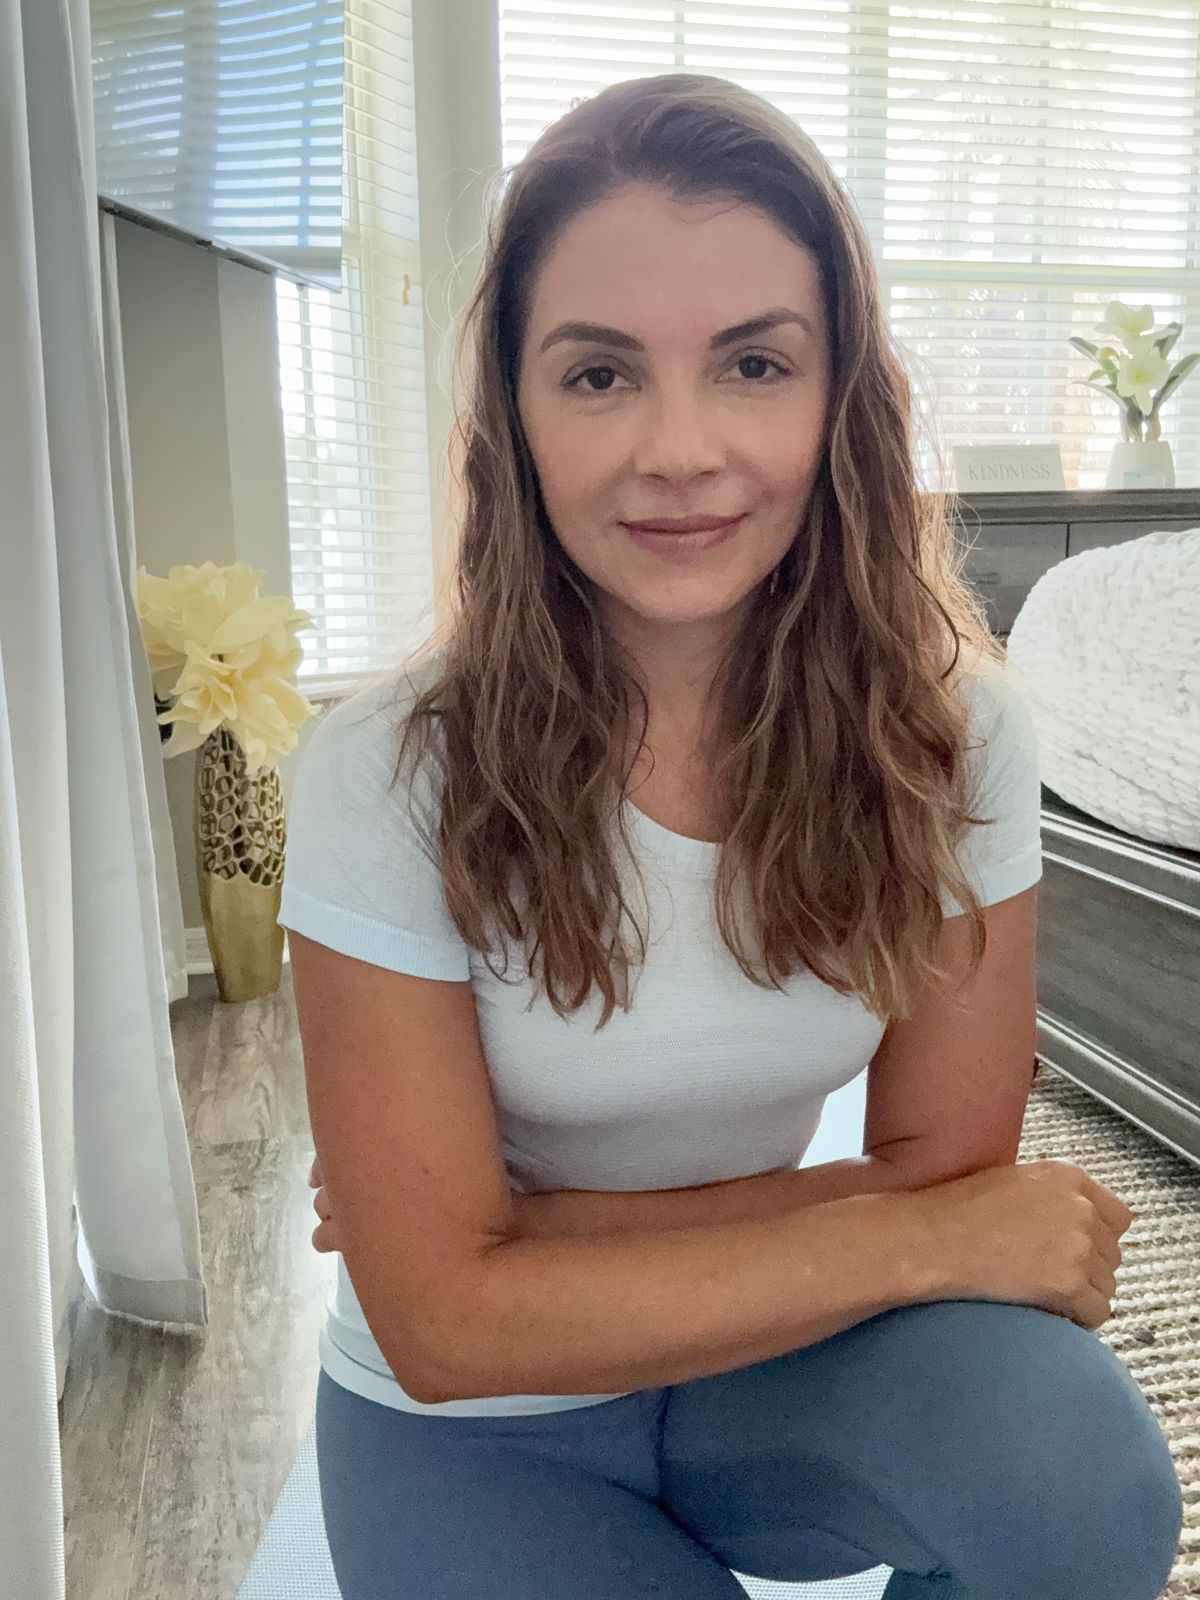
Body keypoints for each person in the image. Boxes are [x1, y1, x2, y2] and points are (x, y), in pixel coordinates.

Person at [277, 73, 1182, 1600]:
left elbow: (948, 1160)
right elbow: (443, 1327)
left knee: (1080, 1472)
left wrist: (528, 1234)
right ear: (515, 409)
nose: (680, 449)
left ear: (840, 396)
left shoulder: (956, 731)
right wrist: (921, 1236)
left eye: (754, 363)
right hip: (480, 1431)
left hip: (791, 1360)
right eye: (600, 375)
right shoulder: (383, 768)